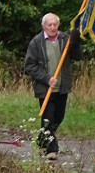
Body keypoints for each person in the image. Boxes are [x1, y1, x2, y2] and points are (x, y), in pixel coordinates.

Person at [24, 13, 83, 161]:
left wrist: (76, 42)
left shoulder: (65, 39)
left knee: (58, 117)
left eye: (55, 25)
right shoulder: (36, 42)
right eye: (49, 25)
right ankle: (52, 150)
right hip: (45, 89)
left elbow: (78, 56)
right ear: (44, 26)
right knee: (48, 119)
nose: (52, 28)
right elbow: (29, 66)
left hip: (62, 87)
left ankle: (42, 141)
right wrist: (46, 78)